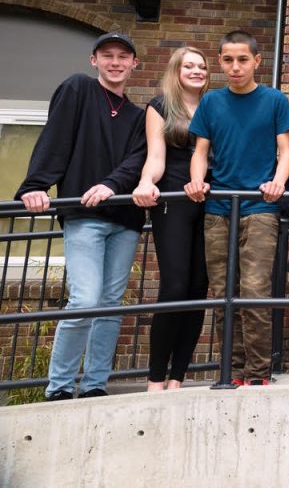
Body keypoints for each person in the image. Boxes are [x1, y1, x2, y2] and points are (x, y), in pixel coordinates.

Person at [16, 31, 147, 401]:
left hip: (124, 219)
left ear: (134, 64)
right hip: (83, 215)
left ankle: (94, 385)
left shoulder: (139, 116)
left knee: (108, 304)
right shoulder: (78, 89)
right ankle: (58, 387)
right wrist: (36, 185)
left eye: (124, 56)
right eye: (108, 55)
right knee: (85, 300)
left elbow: (137, 160)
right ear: (94, 60)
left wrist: (110, 184)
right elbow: (55, 137)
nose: (116, 62)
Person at [185, 30, 289, 387]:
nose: (235, 67)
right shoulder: (211, 102)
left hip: (260, 206)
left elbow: (286, 150)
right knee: (222, 292)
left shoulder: (275, 100)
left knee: (254, 291)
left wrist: (278, 181)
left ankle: (259, 373)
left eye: (243, 60)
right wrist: (197, 181)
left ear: (257, 61)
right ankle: (231, 371)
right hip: (217, 206)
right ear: (220, 61)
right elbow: (200, 152)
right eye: (228, 60)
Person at [132, 46, 211, 391]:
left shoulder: (214, 105)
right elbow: (156, 155)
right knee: (175, 287)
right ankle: (155, 378)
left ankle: (178, 375)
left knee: (198, 289)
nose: (196, 71)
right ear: (176, 71)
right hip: (174, 200)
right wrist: (146, 182)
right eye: (189, 66)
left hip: (209, 201)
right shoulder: (160, 105)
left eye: (202, 66)